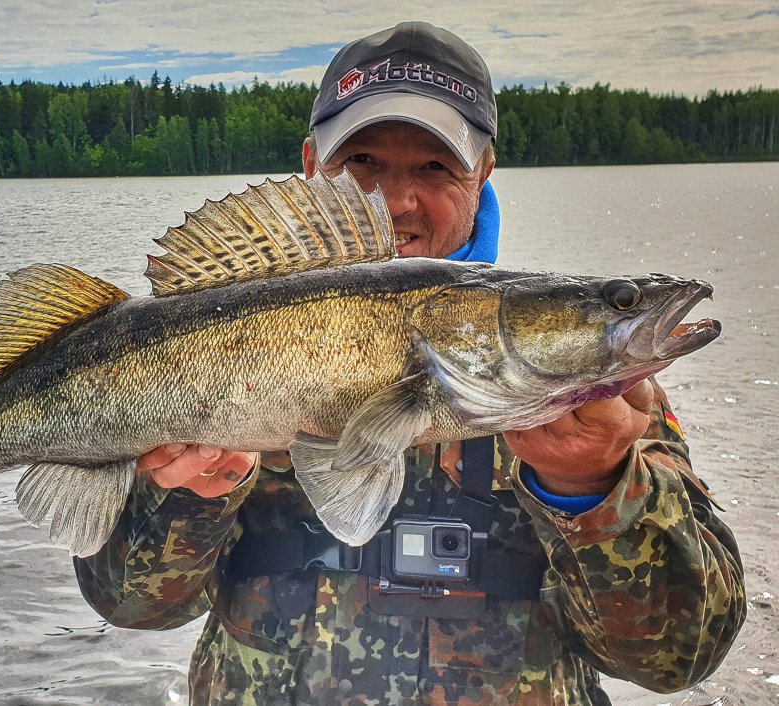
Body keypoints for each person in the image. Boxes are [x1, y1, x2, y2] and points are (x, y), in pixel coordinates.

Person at [73, 21, 745, 705]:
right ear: (313, 165)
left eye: (434, 167)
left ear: (482, 173)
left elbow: (677, 659)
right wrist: (183, 496)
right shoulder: (212, 336)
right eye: (362, 162)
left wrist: (598, 490)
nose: (397, 201)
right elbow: (131, 608)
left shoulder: (597, 393)